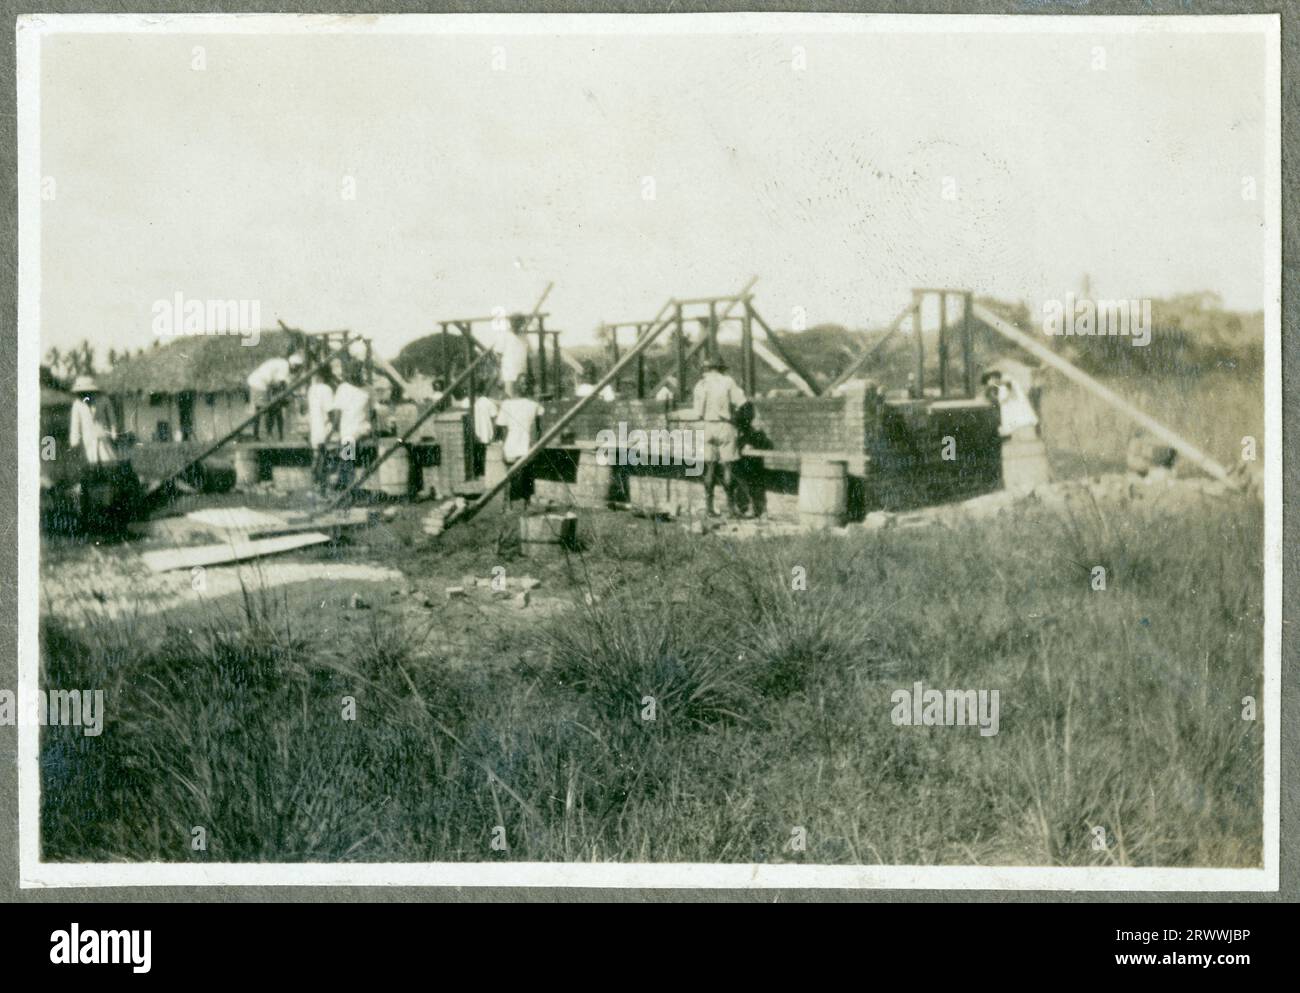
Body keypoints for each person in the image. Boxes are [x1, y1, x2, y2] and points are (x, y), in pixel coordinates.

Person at [692, 356, 747, 517]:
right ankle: (731, 509)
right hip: (725, 425)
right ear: (721, 368)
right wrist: (735, 419)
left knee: (709, 468)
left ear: (706, 369)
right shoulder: (727, 382)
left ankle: (709, 508)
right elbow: (742, 403)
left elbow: (697, 413)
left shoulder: (700, 385)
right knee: (728, 467)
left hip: (707, 426)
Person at [495, 380, 545, 511]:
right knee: (515, 477)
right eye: (523, 384)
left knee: (520, 476)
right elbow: (503, 429)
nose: (524, 386)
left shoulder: (534, 405)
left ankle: (520, 505)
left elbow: (501, 428)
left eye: (525, 384)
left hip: (522, 446)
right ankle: (510, 505)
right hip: (517, 446)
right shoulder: (511, 404)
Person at [330, 363, 373, 494]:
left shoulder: (369, 389)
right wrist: (334, 429)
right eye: (352, 372)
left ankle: (345, 485)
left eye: (358, 371)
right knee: (347, 450)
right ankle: (345, 484)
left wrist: (375, 431)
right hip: (347, 429)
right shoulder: (343, 388)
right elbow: (337, 411)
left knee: (348, 448)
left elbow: (374, 412)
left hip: (362, 427)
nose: (355, 374)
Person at [246, 345, 300, 440]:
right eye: (296, 368)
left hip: (261, 384)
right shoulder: (285, 366)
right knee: (263, 409)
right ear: (293, 365)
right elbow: (281, 385)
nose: (295, 371)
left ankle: (262, 435)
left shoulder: (282, 364)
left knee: (263, 409)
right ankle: (261, 435)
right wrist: (288, 396)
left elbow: (281, 384)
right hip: (259, 384)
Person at [306, 367, 337, 494]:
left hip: (315, 428)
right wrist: (335, 427)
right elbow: (330, 411)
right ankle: (328, 487)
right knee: (331, 458)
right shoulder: (326, 389)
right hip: (325, 428)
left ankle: (316, 486)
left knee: (318, 457)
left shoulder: (311, 389)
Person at [495, 312, 530, 397]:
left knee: (521, 398)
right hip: (509, 373)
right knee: (509, 397)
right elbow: (498, 356)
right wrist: (499, 375)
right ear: (511, 323)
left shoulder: (524, 336)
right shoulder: (504, 335)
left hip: (522, 373)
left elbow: (528, 354)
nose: (518, 325)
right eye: (515, 322)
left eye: (520, 322)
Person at [472, 381, 501, 478]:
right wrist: (495, 432)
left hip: (476, 430)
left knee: (477, 451)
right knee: (485, 452)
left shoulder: (474, 402)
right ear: (485, 390)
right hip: (486, 430)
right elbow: (494, 418)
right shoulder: (489, 403)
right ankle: (484, 471)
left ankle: (478, 471)